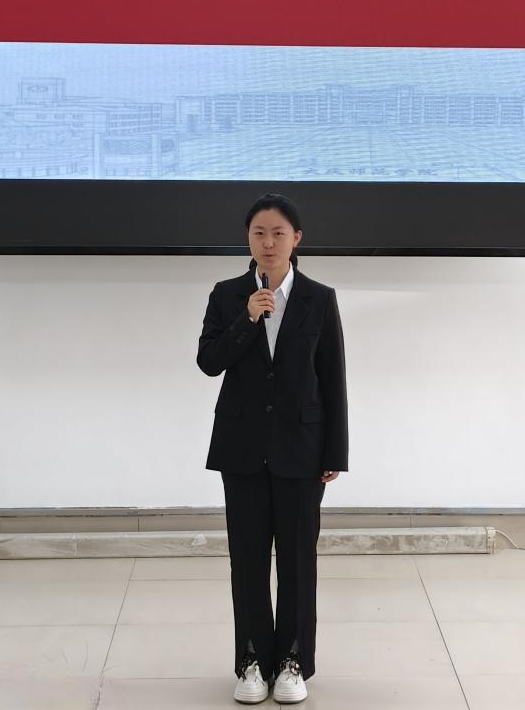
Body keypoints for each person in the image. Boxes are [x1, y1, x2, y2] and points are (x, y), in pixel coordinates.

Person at [196, 193, 349, 705]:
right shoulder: (227, 295)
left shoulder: (319, 298)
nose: (268, 242)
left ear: (296, 239)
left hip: (302, 451)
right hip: (241, 450)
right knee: (247, 561)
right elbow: (209, 362)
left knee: (298, 562)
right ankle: (252, 662)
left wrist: (335, 453)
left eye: (278, 233)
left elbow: (332, 378)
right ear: (248, 238)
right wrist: (246, 319)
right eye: (259, 233)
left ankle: (292, 662)